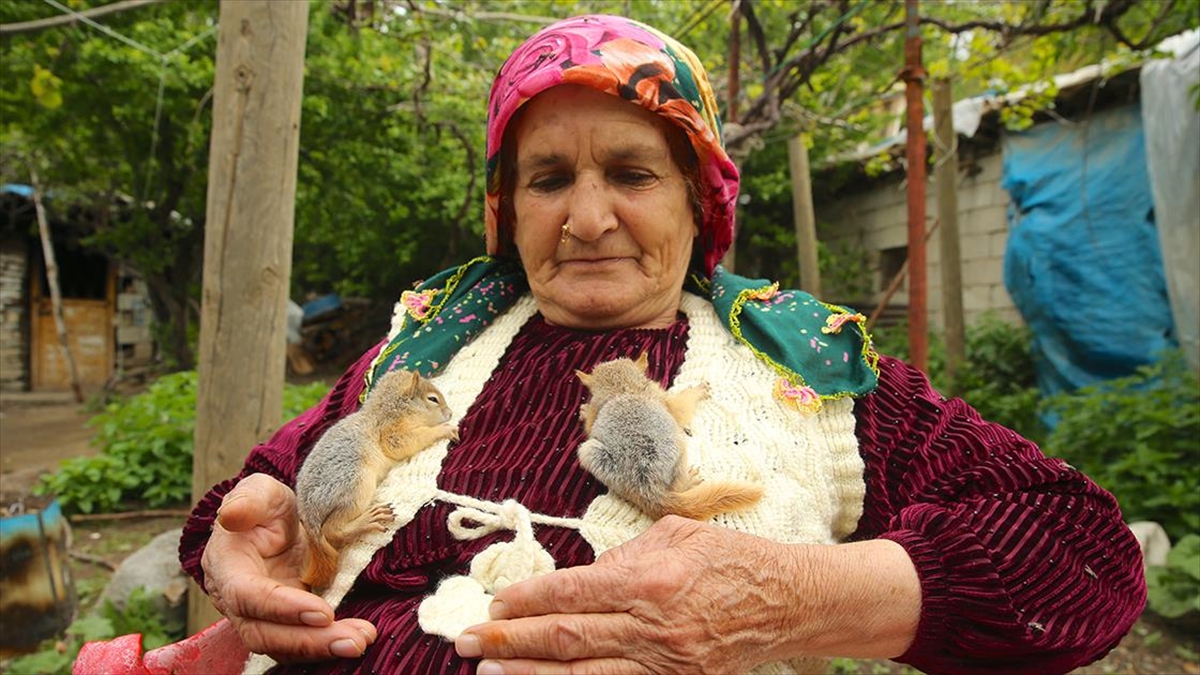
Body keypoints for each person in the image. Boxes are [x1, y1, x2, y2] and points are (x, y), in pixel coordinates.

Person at [180, 14, 1146, 675]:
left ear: (702, 199)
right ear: (505, 211)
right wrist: (241, 542)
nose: (588, 218)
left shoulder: (805, 373)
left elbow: (1087, 557)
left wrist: (792, 598)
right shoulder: (433, 342)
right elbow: (246, 504)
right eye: (548, 178)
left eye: (633, 173)